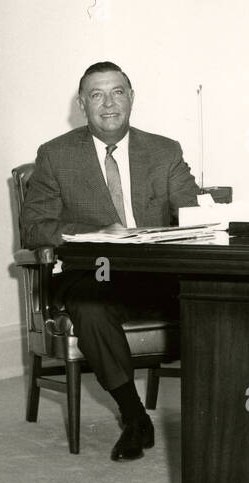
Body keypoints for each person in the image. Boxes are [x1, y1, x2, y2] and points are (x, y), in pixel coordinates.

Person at [21, 61, 200, 461]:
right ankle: (134, 416)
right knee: (89, 306)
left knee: (217, 298)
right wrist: (93, 230)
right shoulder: (55, 155)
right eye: (96, 95)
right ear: (81, 104)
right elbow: (33, 227)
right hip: (93, 276)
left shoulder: (165, 150)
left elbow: (192, 213)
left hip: (157, 275)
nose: (108, 104)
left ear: (131, 98)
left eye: (117, 92)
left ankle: (220, 415)